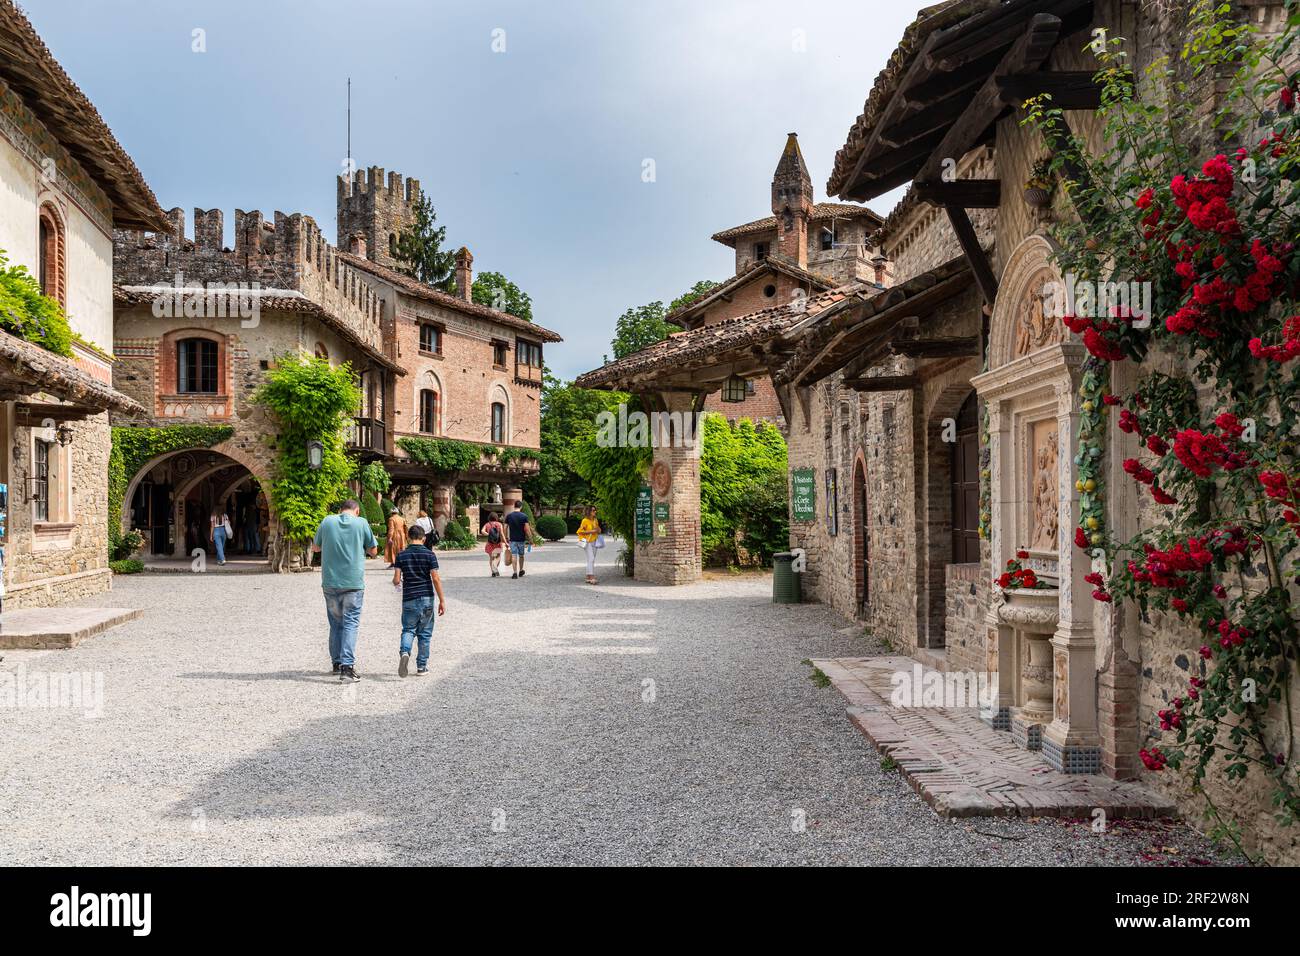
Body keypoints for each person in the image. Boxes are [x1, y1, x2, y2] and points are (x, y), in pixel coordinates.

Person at [312, 499, 378, 682]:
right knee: (350, 623)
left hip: (330, 581)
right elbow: (373, 551)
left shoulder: (327, 521)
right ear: (357, 511)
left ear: (341, 510)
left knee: (335, 623)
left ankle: (337, 663)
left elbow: (315, 548)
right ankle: (347, 668)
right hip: (353, 582)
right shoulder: (362, 523)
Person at [390, 524, 445, 677]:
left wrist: (398, 584)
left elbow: (396, 579)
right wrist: (442, 600)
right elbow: (435, 578)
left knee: (408, 629)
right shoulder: (429, 555)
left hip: (409, 598)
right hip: (426, 597)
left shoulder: (401, 555)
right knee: (425, 634)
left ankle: (405, 653)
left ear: (408, 537)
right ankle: (421, 667)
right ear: (424, 538)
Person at [576, 505, 605, 584]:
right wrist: (591, 531)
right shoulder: (585, 521)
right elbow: (580, 531)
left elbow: (599, 531)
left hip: (595, 541)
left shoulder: (595, 520)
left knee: (591, 559)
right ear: (588, 511)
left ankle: (588, 577)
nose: (595, 511)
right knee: (591, 558)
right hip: (587, 541)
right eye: (593, 510)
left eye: (595, 510)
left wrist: (598, 529)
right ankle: (592, 577)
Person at [504, 499, 531, 579]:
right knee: (521, 555)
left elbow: (505, 527)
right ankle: (521, 570)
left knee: (514, 555)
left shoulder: (509, 516)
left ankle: (515, 573)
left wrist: (506, 537)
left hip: (512, 539)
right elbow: (527, 529)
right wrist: (530, 538)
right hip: (521, 539)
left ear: (514, 506)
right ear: (521, 507)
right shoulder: (524, 516)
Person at [481, 511, 506, 577]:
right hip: (498, 543)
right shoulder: (499, 524)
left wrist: (488, 534)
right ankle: (495, 569)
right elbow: (502, 534)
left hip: (490, 543)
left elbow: (482, 531)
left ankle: (493, 571)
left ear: (489, 517)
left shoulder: (487, 524)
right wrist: (505, 542)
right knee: (498, 557)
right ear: (496, 517)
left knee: (491, 558)